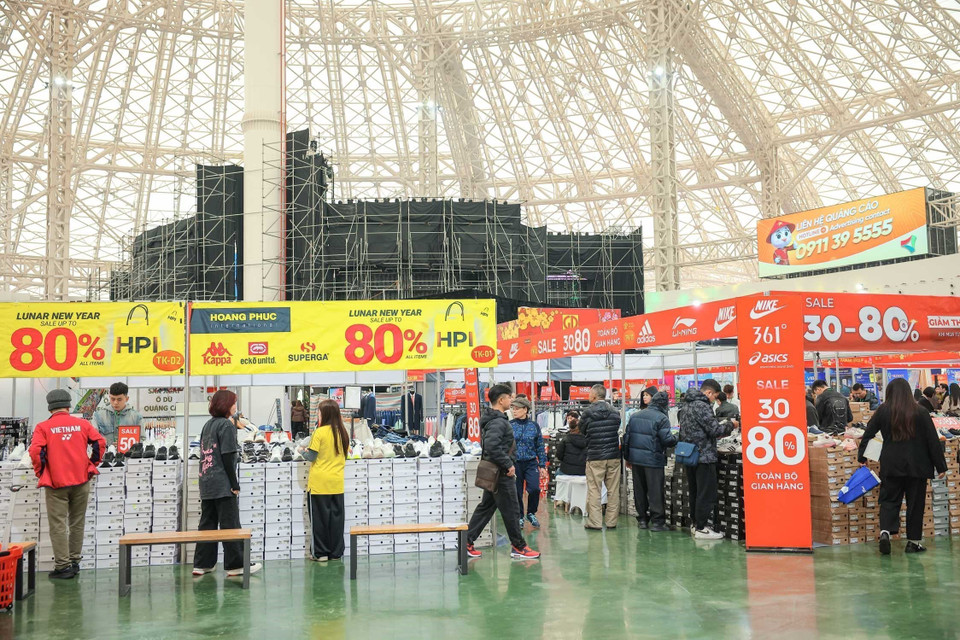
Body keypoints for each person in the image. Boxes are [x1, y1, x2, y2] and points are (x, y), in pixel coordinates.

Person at [858, 378, 947, 554]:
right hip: (917, 465)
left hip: (891, 464)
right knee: (915, 504)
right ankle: (913, 542)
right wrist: (941, 466)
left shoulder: (883, 411)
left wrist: (862, 457)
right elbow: (932, 440)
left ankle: (885, 532)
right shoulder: (921, 412)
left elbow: (867, 433)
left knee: (889, 500)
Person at [29, 389, 106, 579]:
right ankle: (74, 561)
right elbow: (100, 443)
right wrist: (91, 464)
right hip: (81, 481)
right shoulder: (82, 424)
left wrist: (42, 472)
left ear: (50, 408)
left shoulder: (43, 427)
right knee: (77, 523)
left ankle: (63, 567)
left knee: (58, 525)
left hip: (56, 483)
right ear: (69, 405)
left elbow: (35, 452)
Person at [465, 384, 540, 560]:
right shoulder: (499, 422)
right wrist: (508, 465)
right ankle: (519, 547)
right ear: (501, 400)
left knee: (486, 508)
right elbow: (492, 447)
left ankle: (467, 541)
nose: (511, 400)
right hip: (501, 474)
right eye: (509, 397)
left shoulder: (496, 420)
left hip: (496, 473)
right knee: (512, 510)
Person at [193, 390, 262, 577]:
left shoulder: (208, 425)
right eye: (234, 403)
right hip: (222, 483)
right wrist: (235, 484)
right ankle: (236, 564)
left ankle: (202, 564)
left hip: (206, 480)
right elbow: (228, 455)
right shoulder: (226, 425)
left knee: (207, 524)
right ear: (226, 405)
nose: (235, 407)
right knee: (230, 524)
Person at [678, 379, 733, 540]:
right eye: (715, 396)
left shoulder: (686, 405)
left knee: (695, 491)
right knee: (706, 493)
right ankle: (702, 527)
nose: (714, 400)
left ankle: (696, 525)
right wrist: (731, 425)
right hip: (704, 456)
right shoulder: (703, 406)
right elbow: (715, 430)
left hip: (690, 455)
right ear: (709, 393)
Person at [301, 399, 349, 561]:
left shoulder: (319, 433)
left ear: (325, 414)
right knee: (336, 521)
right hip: (337, 483)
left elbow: (311, 456)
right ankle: (336, 552)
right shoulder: (343, 432)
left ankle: (320, 553)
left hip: (319, 484)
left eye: (319, 412)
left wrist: (301, 450)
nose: (318, 415)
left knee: (319, 521)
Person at [623, 391, 677, 531]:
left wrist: (627, 457)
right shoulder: (662, 418)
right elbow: (667, 440)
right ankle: (658, 522)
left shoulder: (635, 416)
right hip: (653, 459)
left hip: (636, 459)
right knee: (655, 491)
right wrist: (678, 439)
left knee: (639, 490)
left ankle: (642, 520)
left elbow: (626, 438)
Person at [579, 384, 622, 530]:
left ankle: (595, 522)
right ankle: (611, 521)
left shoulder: (587, 413)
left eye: (590, 393)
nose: (588, 396)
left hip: (595, 455)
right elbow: (616, 427)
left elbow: (582, 429)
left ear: (595, 395)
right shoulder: (615, 412)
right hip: (613, 455)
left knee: (594, 490)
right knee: (613, 490)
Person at [510, 397, 547, 529]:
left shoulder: (534, 426)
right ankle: (520, 516)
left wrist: (542, 465)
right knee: (517, 492)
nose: (514, 411)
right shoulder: (510, 425)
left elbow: (540, 446)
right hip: (515, 464)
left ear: (525, 409)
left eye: (517, 408)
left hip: (531, 462)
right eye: (513, 408)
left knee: (534, 488)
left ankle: (531, 512)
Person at [93, 382, 143, 447]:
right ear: (109, 397)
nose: (115, 402)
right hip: (105, 455)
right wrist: (101, 441)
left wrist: (129, 444)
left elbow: (142, 439)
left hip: (128, 455)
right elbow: (93, 438)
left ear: (127, 399)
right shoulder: (98, 416)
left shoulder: (136, 417)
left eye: (119, 399)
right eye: (112, 399)